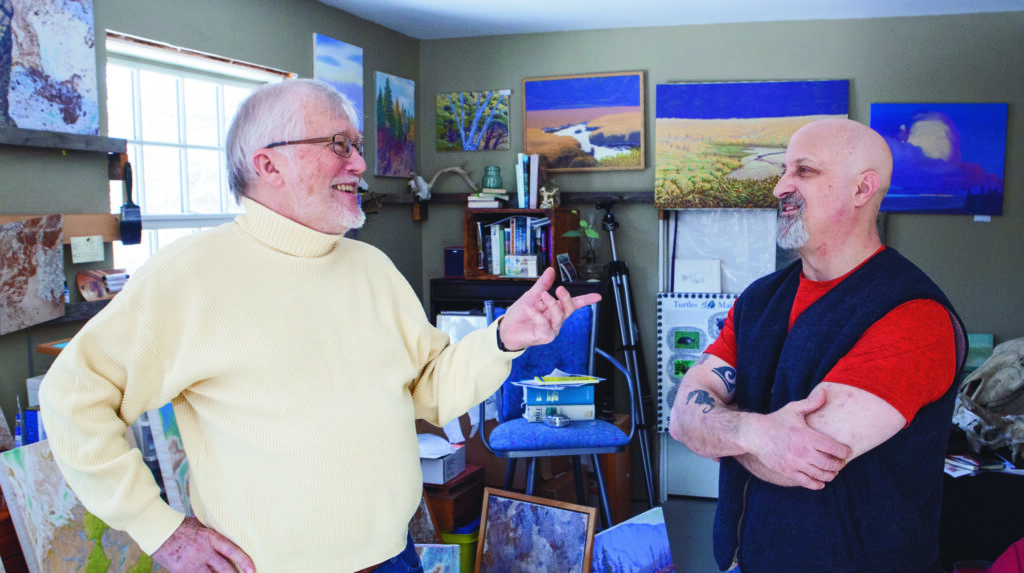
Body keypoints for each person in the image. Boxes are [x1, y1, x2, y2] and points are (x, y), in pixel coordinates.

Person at [39, 78, 600, 572]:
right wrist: (159, 530)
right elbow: (73, 397)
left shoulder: (371, 268)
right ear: (268, 164)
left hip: (392, 558)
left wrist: (504, 338)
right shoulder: (188, 275)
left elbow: (430, 388)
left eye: (355, 146)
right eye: (337, 145)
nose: (358, 163)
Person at [668, 118, 967, 573]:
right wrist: (755, 434)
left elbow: (800, 459)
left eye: (804, 171)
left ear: (862, 190)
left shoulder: (914, 317)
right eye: (784, 171)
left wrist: (721, 428)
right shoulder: (759, 299)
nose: (780, 188)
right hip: (741, 561)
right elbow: (683, 418)